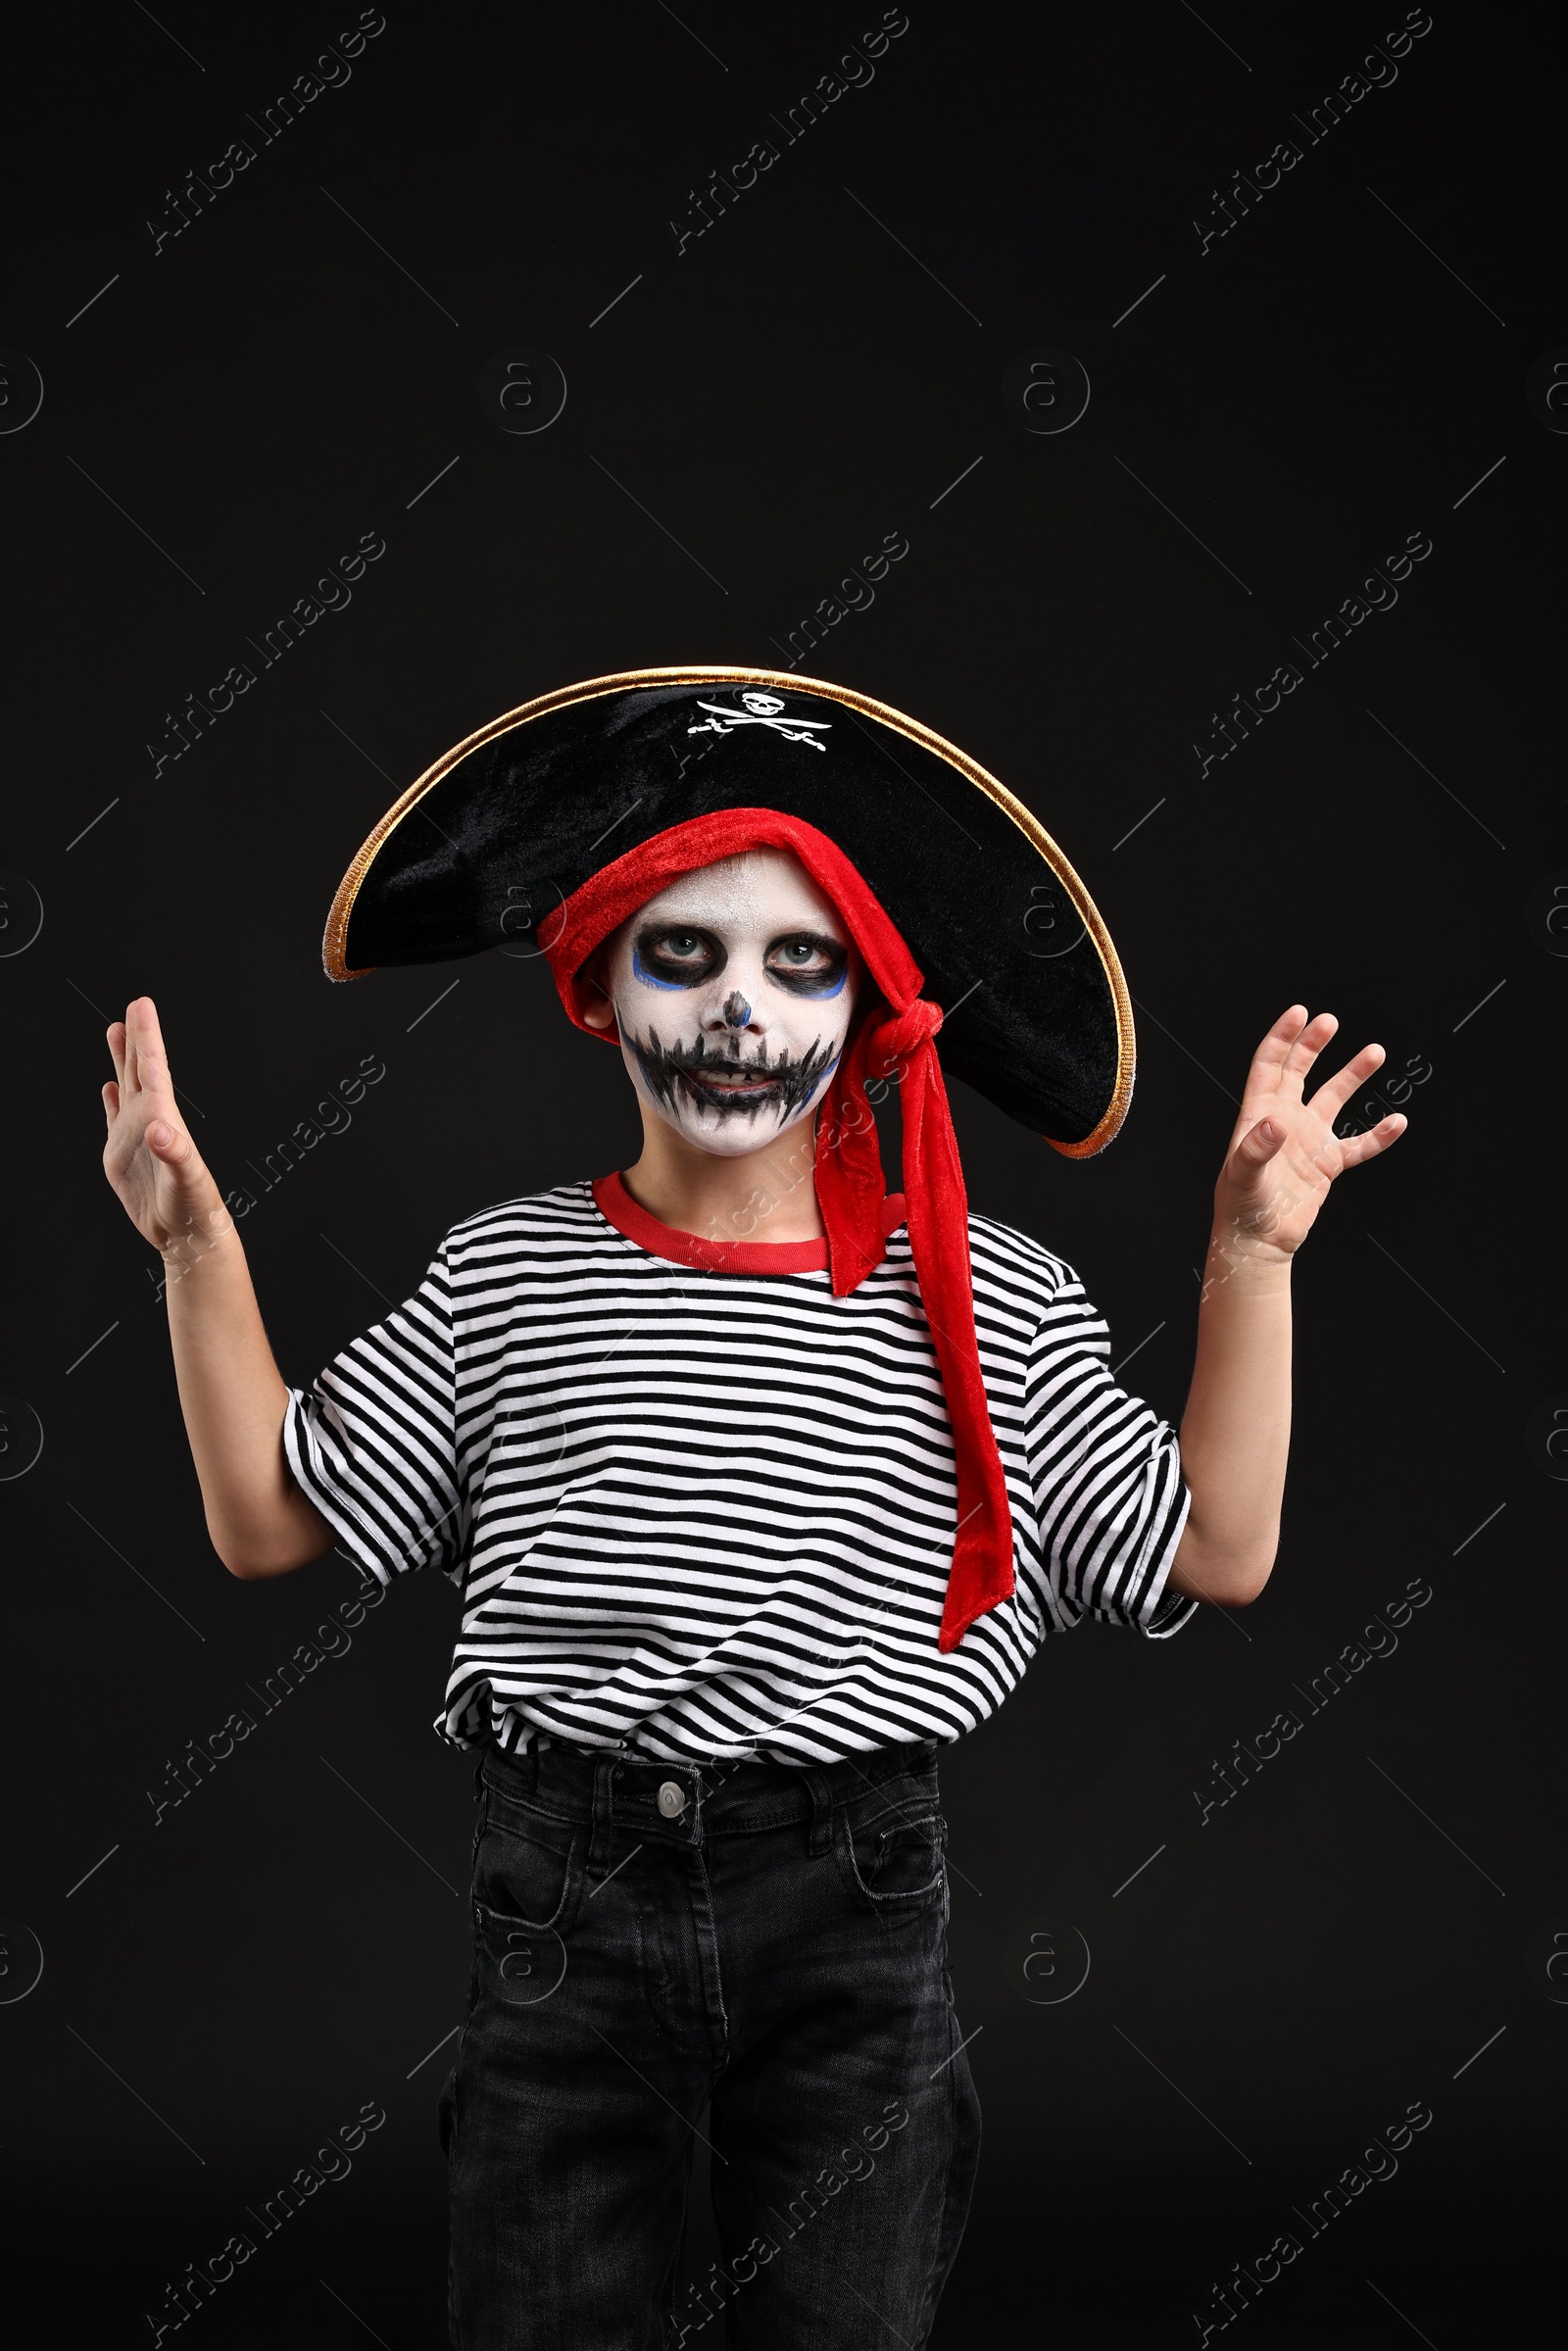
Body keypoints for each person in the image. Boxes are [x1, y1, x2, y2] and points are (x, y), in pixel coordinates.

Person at [100, 669, 1406, 2351]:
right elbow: (272, 1519)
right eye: (686, 951)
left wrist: (1252, 1255)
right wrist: (194, 1246)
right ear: (599, 983)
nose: (740, 1009)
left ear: (866, 1002)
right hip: (565, 1914)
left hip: (852, 1909)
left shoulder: (983, 1297)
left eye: (799, 961)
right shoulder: (513, 1269)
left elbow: (1215, 1549)